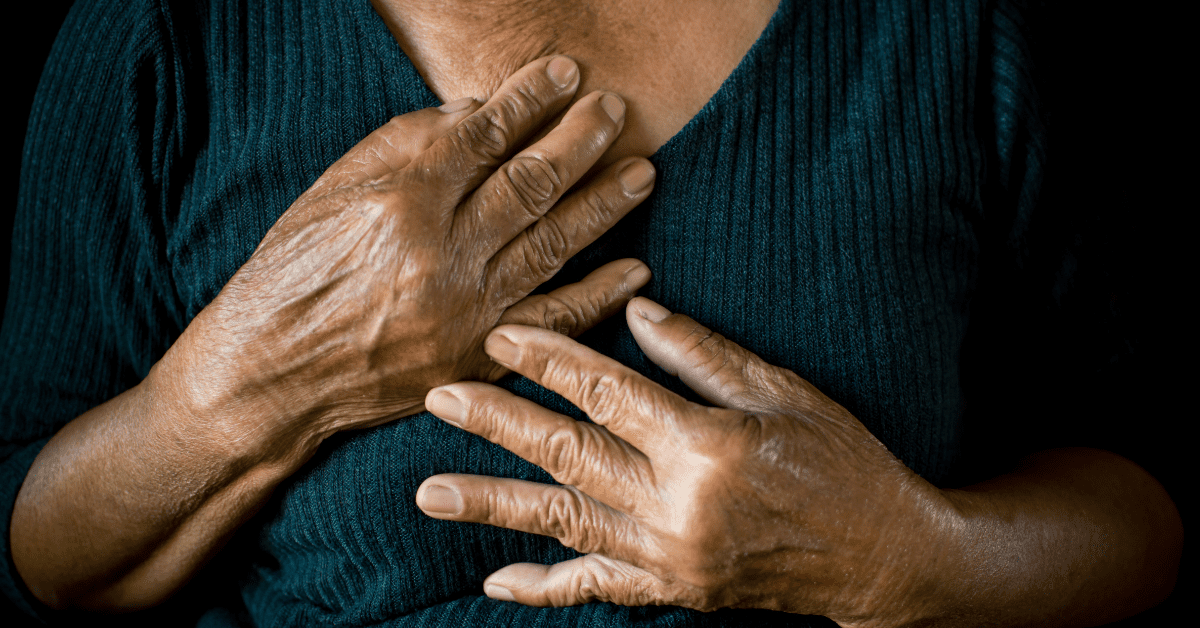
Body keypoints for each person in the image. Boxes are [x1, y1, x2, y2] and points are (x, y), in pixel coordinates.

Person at [0, 0, 1182, 627]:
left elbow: (1150, 510)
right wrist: (270, 379)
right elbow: (43, 557)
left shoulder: (945, 33)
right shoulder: (172, 37)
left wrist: (902, 559)